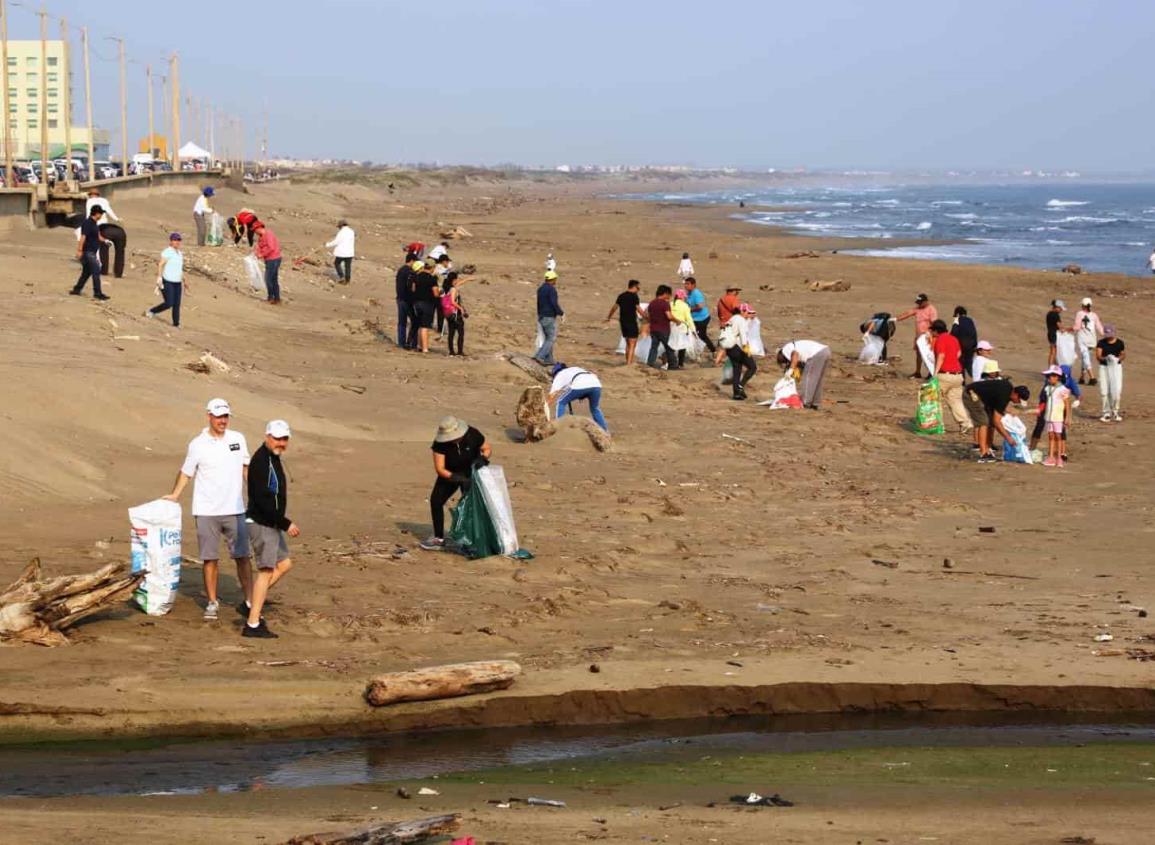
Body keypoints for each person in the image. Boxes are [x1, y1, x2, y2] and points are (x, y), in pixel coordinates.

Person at [163, 398, 253, 620]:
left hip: (235, 509)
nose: (223, 421)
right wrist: (175, 495)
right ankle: (212, 602)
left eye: (226, 416)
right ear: (209, 416)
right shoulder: (197, 444)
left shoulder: (237, 439)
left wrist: (257, 497)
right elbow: (186, 472)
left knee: (242, 556)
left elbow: (246, 469)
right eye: (219, 416)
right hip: (206, 511)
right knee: (210, 558)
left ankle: (251, 600)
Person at [241, 420, 299, 638]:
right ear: (267, 436)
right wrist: (286, 523)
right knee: (265, 571)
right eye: (277, 438)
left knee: (284, 564)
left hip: (272, 523)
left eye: (284, 439)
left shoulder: (273, 458)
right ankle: (253, 623)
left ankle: (251, 602)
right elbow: (262, 500)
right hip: (262, 523)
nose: (281, 443)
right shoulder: (261, 462)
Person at [421, 417, 491, 551]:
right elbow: (440, 468)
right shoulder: (440, 444)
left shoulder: (472, 434)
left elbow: (487, 448)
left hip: (471, 472)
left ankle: (473, 540)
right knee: (436, 501)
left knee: (471, 506)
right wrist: (455, 477)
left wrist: (483, 458)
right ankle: (438, 538)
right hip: (450, 474)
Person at [963, 361, 1027, 463]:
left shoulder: (1008, 390)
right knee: (983, 422)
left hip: (982, 398)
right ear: (1015, 394)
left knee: (989, 422)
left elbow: (998, 411)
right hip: (971, 394)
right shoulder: (1004, 395)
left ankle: (987, 449)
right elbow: (997, 421)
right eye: (1018, 400)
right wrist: (1008, 438)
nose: (1017, 402)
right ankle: (983, 453)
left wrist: (1009, 412)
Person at [929, 319, 971, 434]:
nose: (931, 332)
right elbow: (958, 354)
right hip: (958, 374)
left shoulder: (940, 340)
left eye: (931, 330)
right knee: (955, 400)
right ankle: (965, 423)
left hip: (944, 374)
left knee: (936, 400)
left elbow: (941, 356)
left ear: (936, 331)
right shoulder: (953, 338)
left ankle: (938, 425)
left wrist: (935, 373)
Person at [550, 363, 608, 431]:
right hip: (596, 384)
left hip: (580, 384)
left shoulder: (559, 375)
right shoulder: (575, 368)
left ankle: (559, 428)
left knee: (560, 402)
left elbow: (551, 396)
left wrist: (545, 405)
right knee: (595, 408)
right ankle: (604, 430)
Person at [83, 189, 127, 279]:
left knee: (102, 248)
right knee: (120, 252)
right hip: (119, 231)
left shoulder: (89, 201)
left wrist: (87, 224)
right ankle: (118, 273)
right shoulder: (104, 200)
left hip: (103, 229)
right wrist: (117, 219)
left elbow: (88, 214)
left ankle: (103, 270)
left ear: (91, 195)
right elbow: (109, 211)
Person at [716, 304, 757, 400]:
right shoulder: (741, 320)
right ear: (742, 311)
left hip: (729, 348)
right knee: (752, 367)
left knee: (737, 369)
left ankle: (736, 393)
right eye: (748, 312)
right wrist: (745, 347)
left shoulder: (733, 318)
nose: (749, 315)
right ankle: (740, 387)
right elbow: (743, 335)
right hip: (737, 347)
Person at [145, 233, 187, 328]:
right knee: (169, 303)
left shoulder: (179, 253)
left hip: (177, 282)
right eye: (175, 240)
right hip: (168, 281)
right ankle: (152, 311)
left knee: (177, 304)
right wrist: (159, 277)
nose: (177, 242)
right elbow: (161, 264)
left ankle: (176, 323)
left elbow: (180, 268)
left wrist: (184, 280)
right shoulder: (167, 252)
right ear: (171, 241)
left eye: (179, 240)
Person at [69, 204, 110, 300]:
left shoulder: (94, 223)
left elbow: (98, 236)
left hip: (91, 252)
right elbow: (83, 237)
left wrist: (105, 241)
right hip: (88, 252)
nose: (101, 215)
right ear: (97, 213)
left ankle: (76, 289)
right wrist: (79, 250)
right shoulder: (88, 223)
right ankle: (97, 293)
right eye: (101, 213)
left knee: (86, 273)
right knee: (96, 271)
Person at [777, 338, 831, 410]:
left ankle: (805, 402)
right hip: (826, 351)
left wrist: (790, 370)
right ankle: (814, 403)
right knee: (818, 380)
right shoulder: (795, 346)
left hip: (816, 354)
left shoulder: (786, 349)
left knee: (808, 379)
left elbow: (795, 355)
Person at [896, 293, 938, 379]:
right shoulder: (918, 309)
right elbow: (907, 313)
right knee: (918, 354)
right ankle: (917, 372)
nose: (919, 304)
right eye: (918, 303)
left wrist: (930, 333)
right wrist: (896, 319)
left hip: (928, 336)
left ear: (925, 301)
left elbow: (935, 324)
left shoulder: (931, 310)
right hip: (919, 337)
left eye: (920, 302)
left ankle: (931, 373)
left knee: (929, 355)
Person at [1039, 366, 1072, 467]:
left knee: (1058, 436)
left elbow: (1067, 404)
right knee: (1050, 435)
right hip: (1049, 416)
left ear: (1057, 377)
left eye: (1052, 376)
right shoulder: (1047, 388)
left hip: (1058, 417)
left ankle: (1059, 458)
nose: (1049, 378)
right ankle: (1051, 457)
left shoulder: (1063, 389)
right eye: (1048, 376)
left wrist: (1068, 417)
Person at [607, 279, 645, 365]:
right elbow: (639, 309)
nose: (638, 289)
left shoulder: (621, 296)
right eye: (638, 287)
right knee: (632, 344)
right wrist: (646, 317)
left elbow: (614, 307)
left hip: (623, 322)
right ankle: (629, 363)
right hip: (631, 321)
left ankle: (628, 361)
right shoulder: (634, 296)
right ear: (634, 286)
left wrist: (609, 317)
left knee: (628, 343)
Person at [533, 270, 564, 366]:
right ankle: (540, 356)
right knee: (551, 338)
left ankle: (549, 359)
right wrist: (561, 313)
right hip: (549, 317)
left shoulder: (541, 289)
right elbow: (554, 303)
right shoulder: (551, 290)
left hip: (541, 316)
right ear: (553, 279)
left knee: (548, 338)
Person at [410, 258, 441, 353]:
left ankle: (420, 346)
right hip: (427, 304)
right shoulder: (432, 279)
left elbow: (413, 289)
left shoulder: (417, 276)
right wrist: (440, 293)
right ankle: (425, 348)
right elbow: (436, 293)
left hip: (416, 303)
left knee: (420, 325)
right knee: (425, 326)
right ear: (432, 267)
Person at [1096, 324, 1125, 422]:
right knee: (1104, 390)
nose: (1109, 336)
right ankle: (1106, 412)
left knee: (1116, 390)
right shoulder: (1101, 343)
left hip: (1116, 368)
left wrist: (1116, 359)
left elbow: (1123, 354)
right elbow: (1098, 356)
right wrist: (1106, 358)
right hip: (1104, 367)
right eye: (1107, 334)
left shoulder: (1120, 343)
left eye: (1110, 334)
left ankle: (1115, 411)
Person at [646, 285, 679, 370]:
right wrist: (677, 321)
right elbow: (669, 316)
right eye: (669, 294)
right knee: (669, 347)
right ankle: (673, 365)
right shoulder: (665, 304)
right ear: (665, 293)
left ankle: (650, 364)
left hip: (653, 329)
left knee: (654, 348)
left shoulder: (652, 303)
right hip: (663, 329)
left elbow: (648, 317)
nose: (669, 297)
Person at [1073, 298, 1104, 385]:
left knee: (1085, 357)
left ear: (1083, 305)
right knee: (1085, 357)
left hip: (1082, 338)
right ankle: (1082, 377)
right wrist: (1105, 335)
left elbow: (1077, 327)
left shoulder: (1079, 314)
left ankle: (1092, 377)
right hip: (1092, 339)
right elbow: (1099, 327)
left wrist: (1069, 329)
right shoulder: (1094, 315)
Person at [684, 277, 715, 355]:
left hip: (702, 318)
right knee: (696, 335)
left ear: (693, 285)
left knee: (700, 335)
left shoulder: (696, 293)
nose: (685, 286)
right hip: (694, 319)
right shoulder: (688, 293)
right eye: (685, 284)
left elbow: (700, 306)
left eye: (688, 284)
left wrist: (690, 310)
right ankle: (708, 350)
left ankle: (712, 350)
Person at [253, 223, 283, 304]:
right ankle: (276, 298)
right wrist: (257, 252)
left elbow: (271, 248)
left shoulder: (268, 234)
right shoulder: (261, 237)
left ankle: (271, 297)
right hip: (269, 259)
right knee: (273, 279)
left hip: (274, 259)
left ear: (259, 228)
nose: (255, 232)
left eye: (255, 230)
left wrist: (261, 254)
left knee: (269, 279)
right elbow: (259, 247)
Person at [395, 254, 418, 348]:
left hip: (399, 298)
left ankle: (401, 343)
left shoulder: (400, 270)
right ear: (412, 261)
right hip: (407, 300)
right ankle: (412, 343)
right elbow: (410, 287)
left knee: (402, 322)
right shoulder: (410, 272)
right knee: (415, 321)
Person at [443, 272, 468, 356]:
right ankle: (460, 351)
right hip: (455, 313)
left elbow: (458, 284)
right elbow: (453, 301)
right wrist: (461, 308)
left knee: (451, 332)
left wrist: (467, 280)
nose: (458, 280)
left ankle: (451, 351)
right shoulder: (453, 289)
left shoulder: (447, 288)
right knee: (460, 333)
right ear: (454, 280)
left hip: (448, 313)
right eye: (457, 279)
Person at [669, 288, 696, 367]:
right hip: (682, 327)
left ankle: (671, 362)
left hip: (671, 326)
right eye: (684, 297)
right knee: (682, 345)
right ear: (682, 297)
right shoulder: (685, 305)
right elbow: (689, 319)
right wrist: (693, 329)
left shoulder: (670, 304)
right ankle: (680, 364)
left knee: (672, 344)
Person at [950, 306, 978, 380]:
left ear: (958, 314)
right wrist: (974, 346)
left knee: (960, 365)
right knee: (969, 365)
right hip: (970, 347)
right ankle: (978, 378)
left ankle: (962, 382)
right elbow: (974, 333)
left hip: (961, 347)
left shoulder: (957, 320)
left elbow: (953, 333)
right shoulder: (970, 321)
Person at [326, 220, 355, 284]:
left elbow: (336, 242)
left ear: (341, 226)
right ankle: (347, 279)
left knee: (337, 263)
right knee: (348, 266)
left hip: (341, 252)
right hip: (350, 253)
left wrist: (327, 245)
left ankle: (341, 276)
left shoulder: (341, 232)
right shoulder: (351, 231)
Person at [1045, 299, 1066, 366]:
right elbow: (1060, 326)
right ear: (1057, 307)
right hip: (1054, 335)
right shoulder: (1055, 315)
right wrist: (1065, 330)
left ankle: (1054, 367)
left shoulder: (1049, 313)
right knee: (1053, 352)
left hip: (1050, 334)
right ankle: (1051, 368)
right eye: (1060, 308)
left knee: (1054, 352)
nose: (1061, 310)